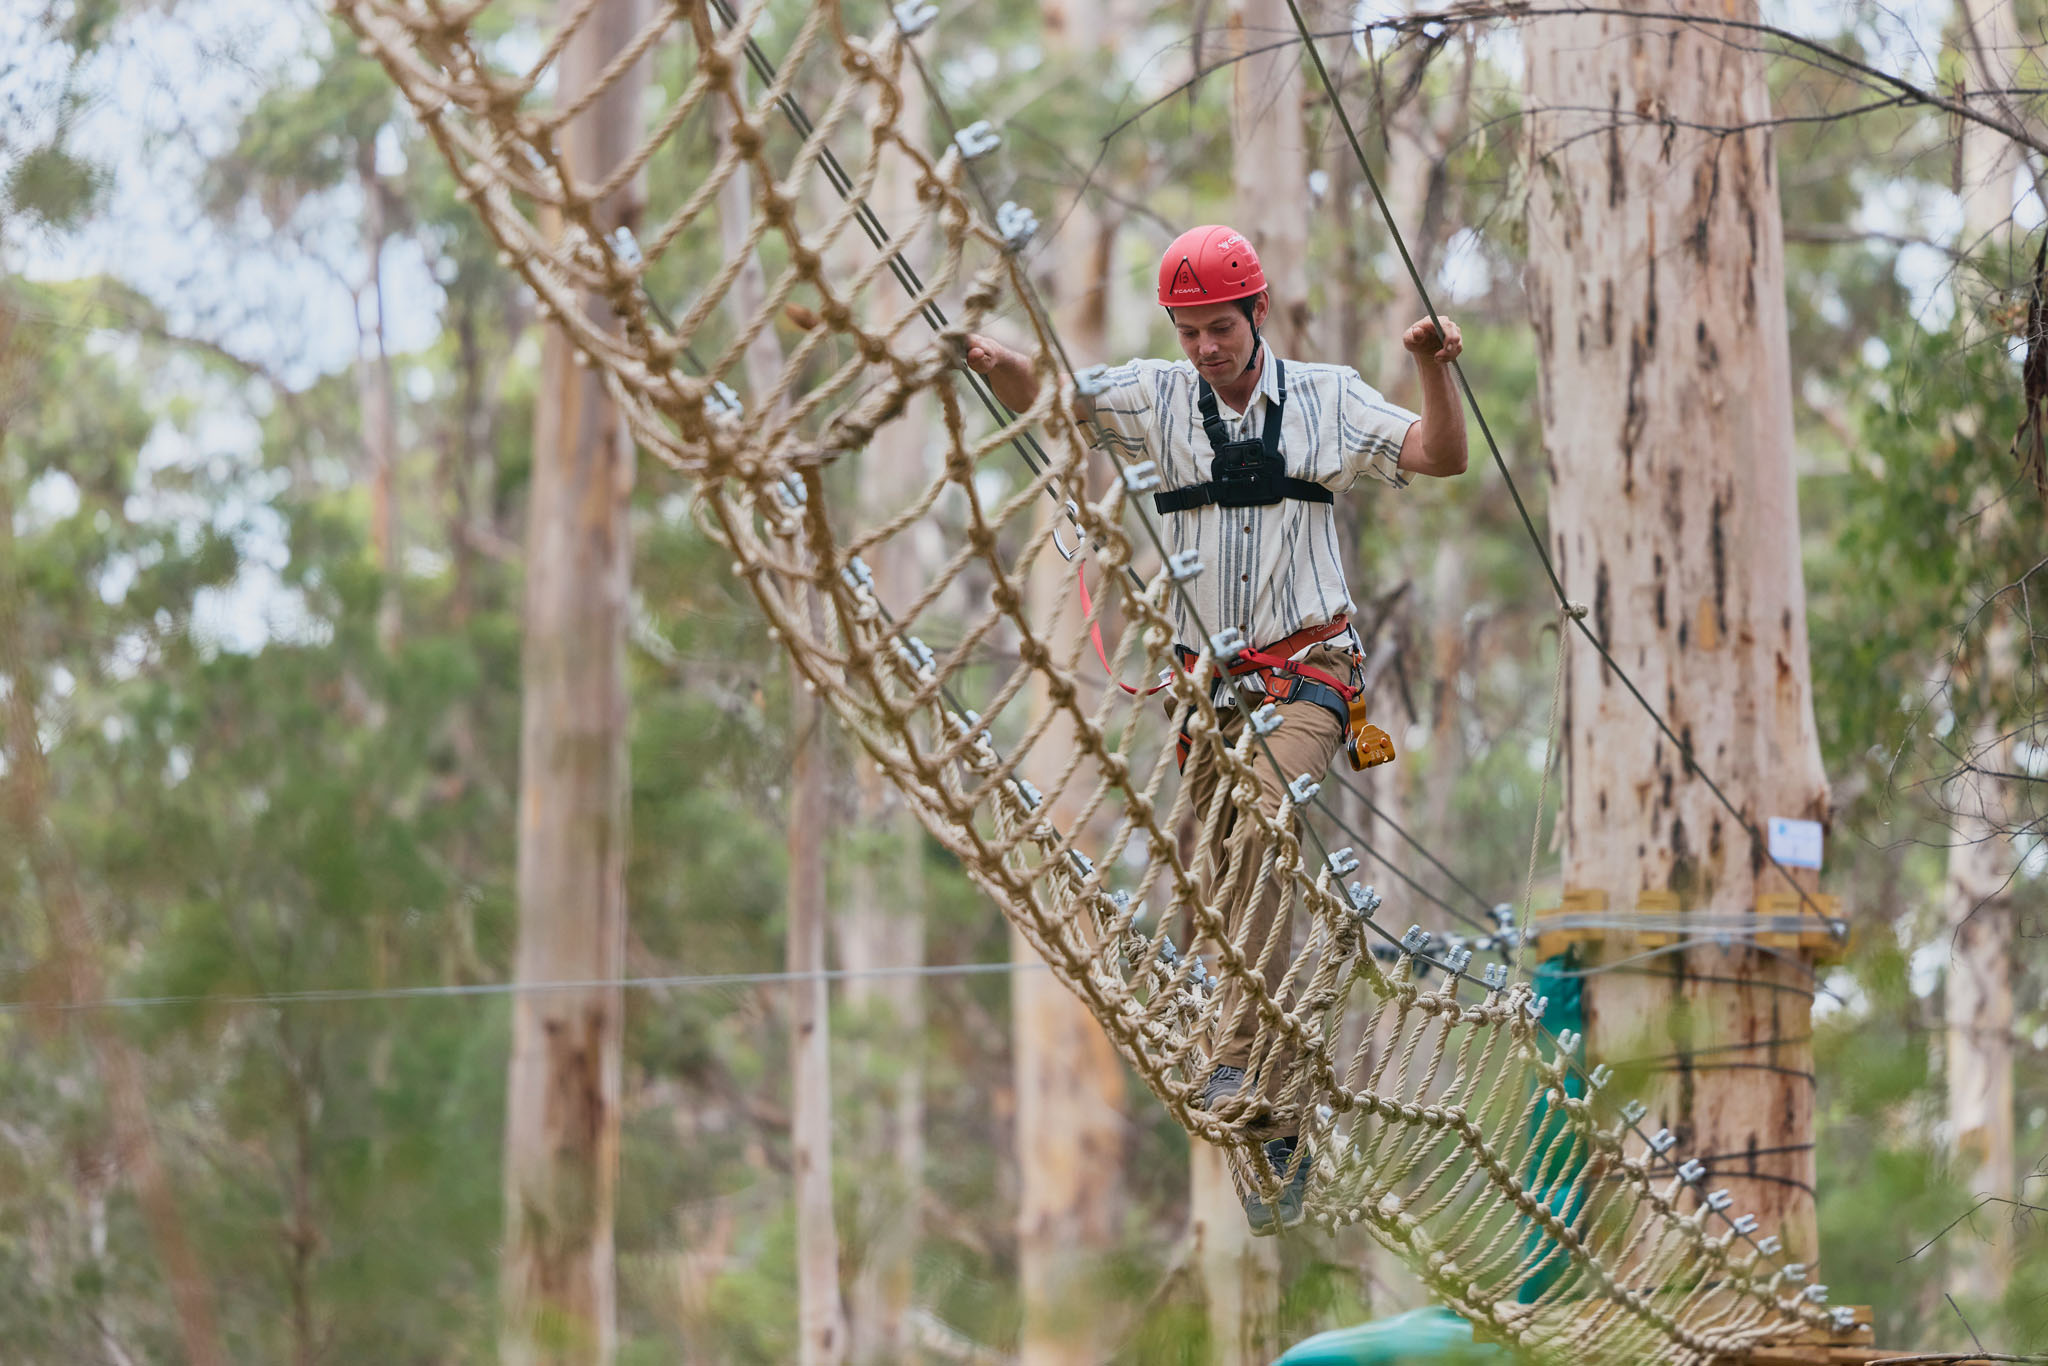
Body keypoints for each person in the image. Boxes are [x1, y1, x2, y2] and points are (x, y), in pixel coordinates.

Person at [964, 224, 1469, 1232]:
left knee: (1257, 832)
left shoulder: (1322, 397)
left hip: (1305, 675)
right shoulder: (1152, 399)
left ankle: (1241, 1055)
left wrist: (1428, 369)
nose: (1202, 348)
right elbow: (1046, 398)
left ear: (1257, 311)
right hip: (1206, 692)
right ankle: (1277, 1122)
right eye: (1185, 331)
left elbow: (1438, 456)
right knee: (1221, 880)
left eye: (1216, 329)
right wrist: (994, 360)